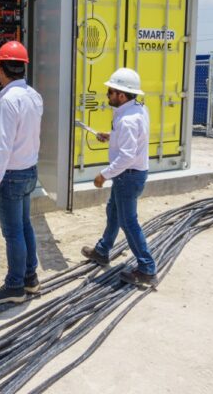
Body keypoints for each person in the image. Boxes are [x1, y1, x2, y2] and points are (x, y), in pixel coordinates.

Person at [80, 68, 158, 288]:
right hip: (129, 175)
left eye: (110, 92)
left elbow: (126, 156)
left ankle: (147, 269)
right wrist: (112, 136)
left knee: (128, 222)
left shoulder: (127, 120)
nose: (107, 95)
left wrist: (103, 175)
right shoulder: (137, 109)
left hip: (128, 176)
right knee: (113, 212)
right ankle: (102, 251)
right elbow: (132, 140)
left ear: (122, 95)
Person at [0, 41, 44, 304]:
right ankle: (30, 278)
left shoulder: (8, 100)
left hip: (11, 176)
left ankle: (15, 286)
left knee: (13, 232)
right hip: (29, 171)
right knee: (24, 225)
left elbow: (3, 146)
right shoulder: (34, 96)